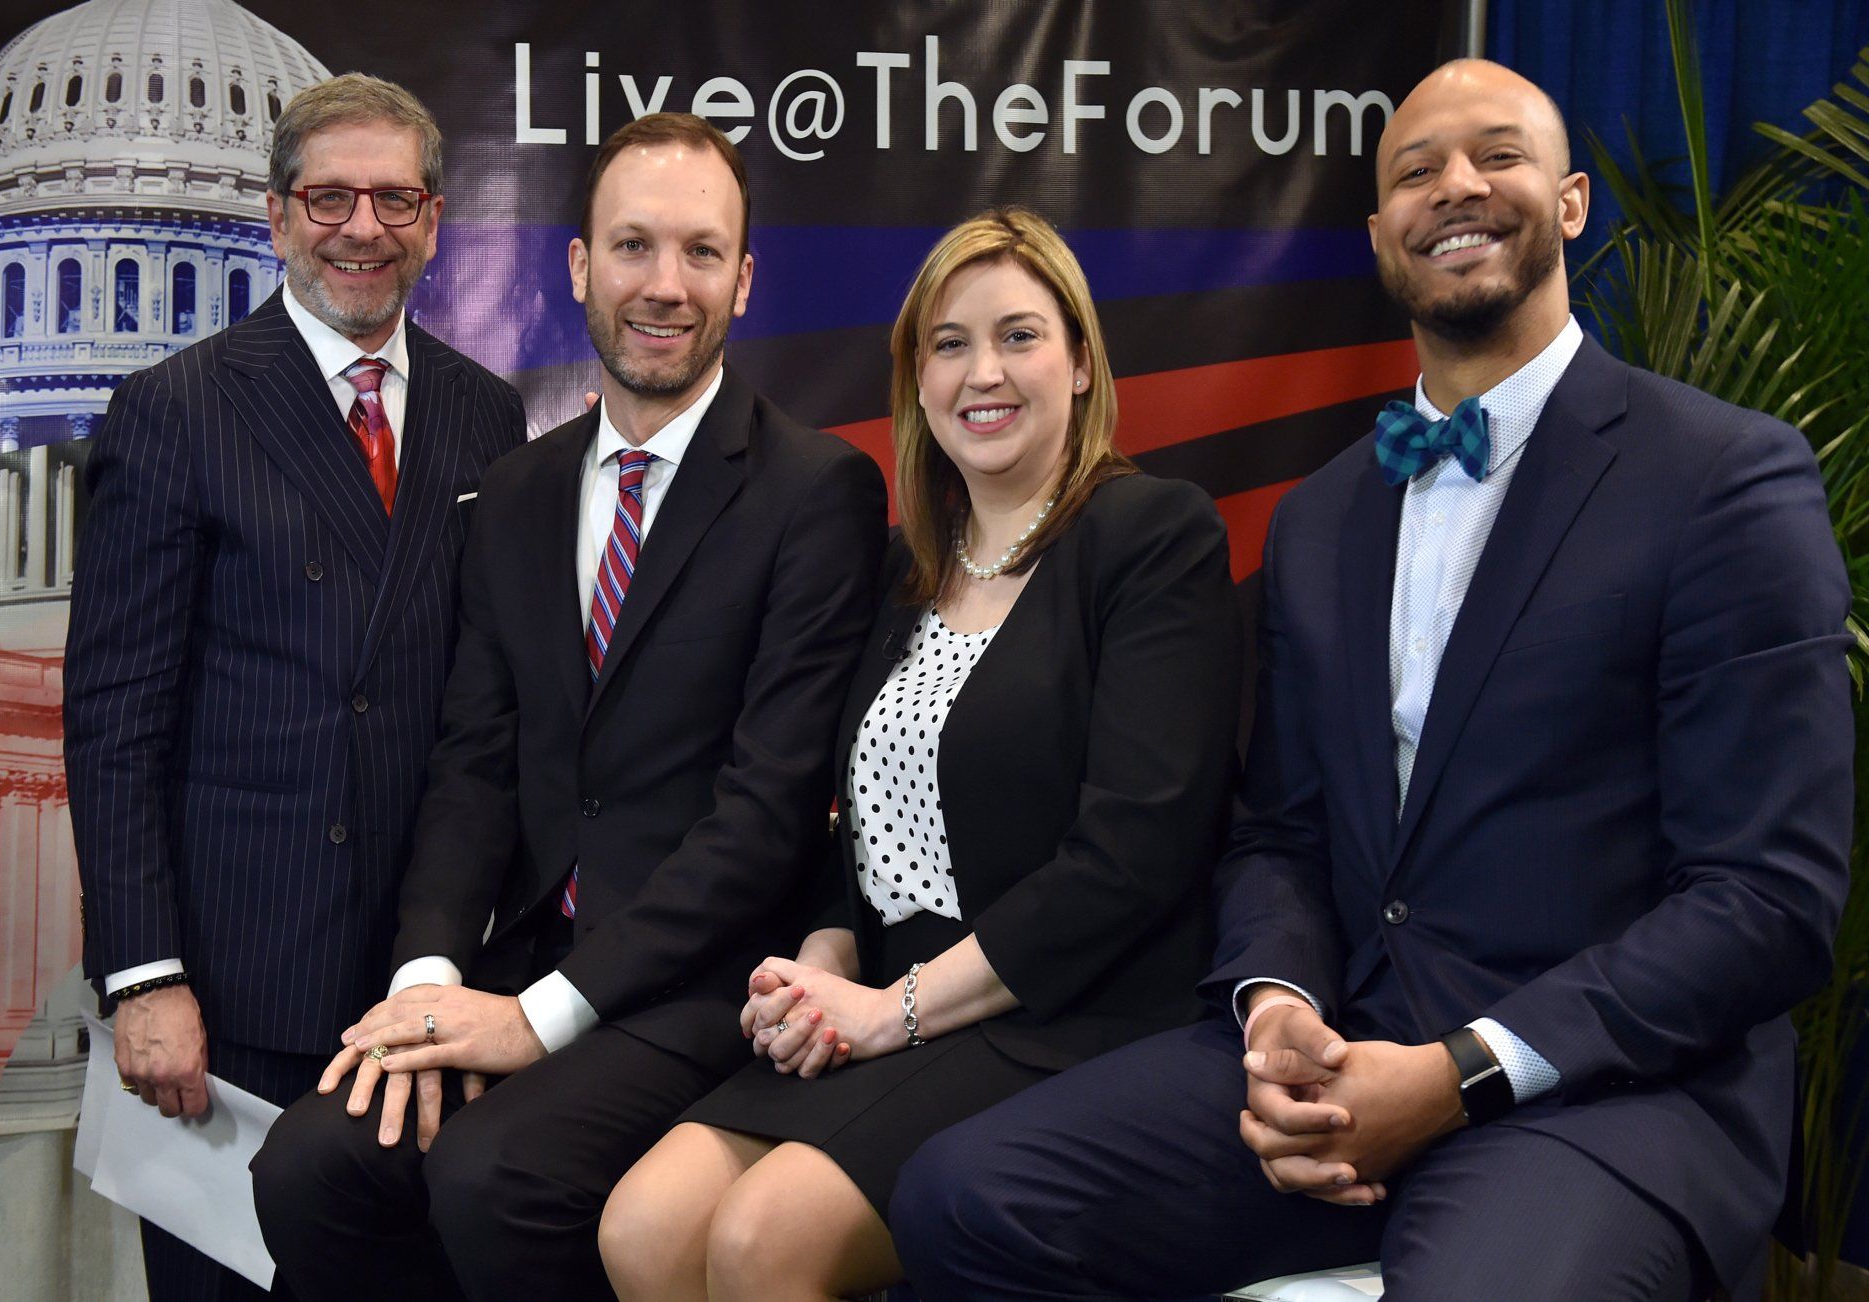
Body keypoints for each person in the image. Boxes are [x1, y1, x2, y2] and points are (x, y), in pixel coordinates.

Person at [888, 59, 1854, 1302]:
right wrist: (1278, 1006)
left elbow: (1767, 899)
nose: (1456, 185)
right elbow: (1281, 834)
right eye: (1414, 170)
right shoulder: (1322, 517)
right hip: (1343, 1054)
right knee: (963, 1200)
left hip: (1603, 1098)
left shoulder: (1726, 478)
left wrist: (1461, 1071)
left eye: (1497, 156)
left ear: (1568, 202)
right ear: (1378, 234)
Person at [250, 112, 888, 1301]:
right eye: (634, 247)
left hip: (705, 985)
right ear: (579, 268)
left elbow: (766, 818)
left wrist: (531, 1023)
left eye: (702, 253)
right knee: (311, 1166)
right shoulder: (517, 489)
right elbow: (473, 769)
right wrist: (428, 989)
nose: (666, 285)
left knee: (499, 1175)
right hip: (527, 958)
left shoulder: (819, 492)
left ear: (744, 281)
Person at [594, 206, 1243, 1300]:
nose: (982, 372)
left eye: (1019, 335)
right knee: (643, 1226)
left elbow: (1133, 858)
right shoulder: (902, 573)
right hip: (894, 1006)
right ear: (917, 379)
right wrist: (822, 972)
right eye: (949, 343)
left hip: (1067, 1012)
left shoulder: (1154, 538)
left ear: (1081, 363)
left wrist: (890, 1012)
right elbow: (848, 841)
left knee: (763, 1240)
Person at [62, 73, 526, 1302]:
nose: (362, 228)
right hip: (233, 994)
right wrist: (144, 975)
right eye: (330, 197)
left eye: (395, 199)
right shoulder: (175, 410)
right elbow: (114, 723)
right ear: (277, 216)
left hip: (422, 989)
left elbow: (498, 708)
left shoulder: (491, 417)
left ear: (433, 220)